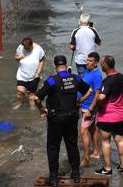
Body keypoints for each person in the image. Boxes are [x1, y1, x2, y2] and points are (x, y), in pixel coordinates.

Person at [34, 55, 91, 185]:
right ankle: (76, 174)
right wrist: (79, 101)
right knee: (72, 144)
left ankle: (53, 177)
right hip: (71, 116)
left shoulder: (52, 81)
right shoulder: (75, 78)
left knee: (53, 146)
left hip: (56, 118)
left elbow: (37, 98)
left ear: (55, 66)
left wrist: (41, 109)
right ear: (65, 65)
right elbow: (89, 90)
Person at [85, 55, 123, 176]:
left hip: (107, 116)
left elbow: (102, 97)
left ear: (105, 66)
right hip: (121, 114)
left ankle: (108, 169)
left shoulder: (107, 80)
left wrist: (95, 96)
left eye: (101, 64)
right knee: (119, 139)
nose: (100, 66)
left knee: (105, 141)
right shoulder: (122, 78)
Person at [77, 52, 103, 167]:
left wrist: (90, 109)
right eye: (87, 60)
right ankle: (96, 152)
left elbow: (97, 95)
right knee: (92, 129)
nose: (87, 62)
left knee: (83, 132)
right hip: (83, 105)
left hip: (89, 108)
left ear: (96, 63)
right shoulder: (88, 71)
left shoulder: (97, 75)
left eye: (91, 61)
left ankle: (87, 158)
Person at [13, 37, 46, 110]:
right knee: (19, 92)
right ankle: (18, 105)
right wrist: (19, 57)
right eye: (25, 48)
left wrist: (38, 73)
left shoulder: (38, 49)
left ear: (31, 45)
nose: (26, 49)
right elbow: (15, 57)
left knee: (31, 96)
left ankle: (32, 109)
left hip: (33, 76)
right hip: (22, 75)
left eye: (28, 48)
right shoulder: (20, 47)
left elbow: (42, 60)